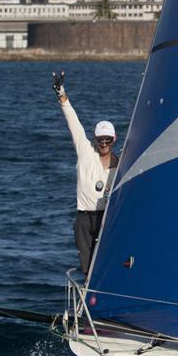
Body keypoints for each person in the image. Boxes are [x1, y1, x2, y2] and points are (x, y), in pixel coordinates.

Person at [53, 71, 119, 275]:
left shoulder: (122, 163)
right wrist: (61, 94)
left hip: (106, 218)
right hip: (83, 218)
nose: (104, 143)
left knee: (107, 262)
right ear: (95, 139)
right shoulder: (85, 151)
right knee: (86, 263)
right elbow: (73, 122)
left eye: (108, 139)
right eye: (101, 140)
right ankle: (88, 295)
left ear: (114, 139)